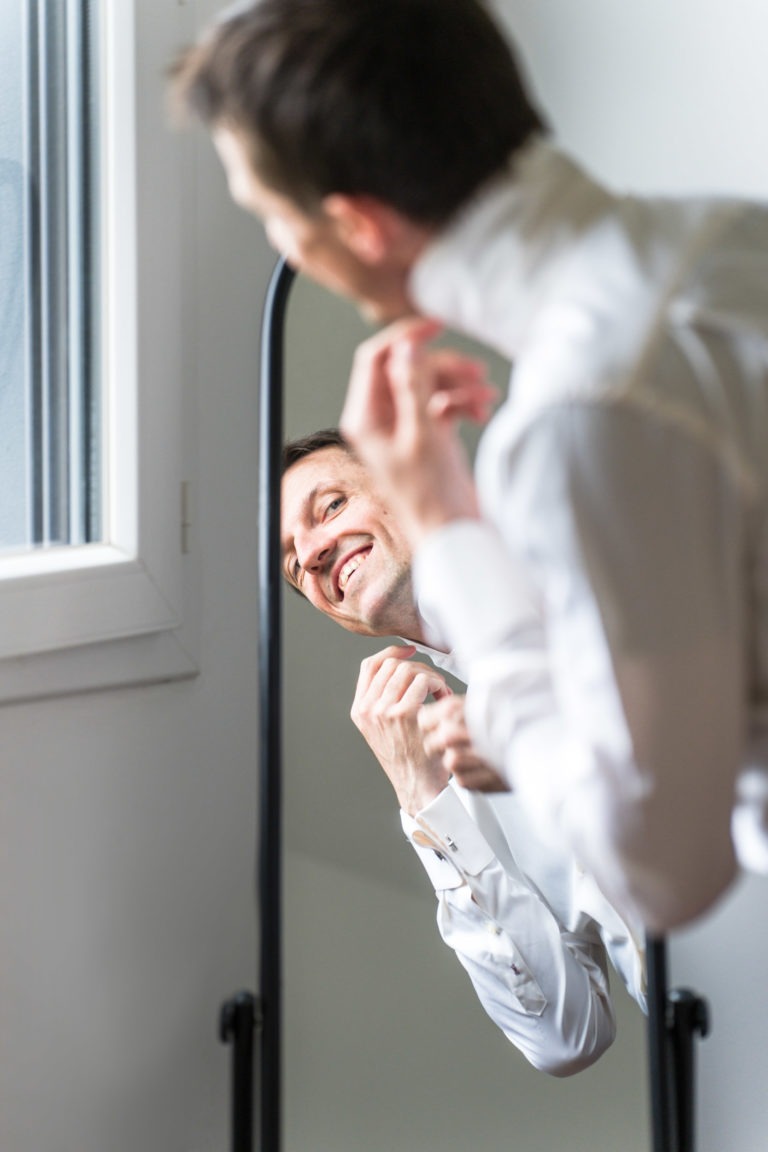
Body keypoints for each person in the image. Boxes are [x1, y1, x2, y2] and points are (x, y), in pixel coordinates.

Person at [172, 0, 768, 932]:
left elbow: (666, 875)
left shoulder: (581, 415)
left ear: (358, 227)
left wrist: (442, 517)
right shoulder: (732, 237)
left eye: (272, 219)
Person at [281, 427, 646, 1077]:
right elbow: (567, 1037)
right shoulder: (457, 765)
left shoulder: (586, 551)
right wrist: (425, 797)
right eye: (289, 562)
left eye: (330, 505)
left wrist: (545, 752)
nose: (309, 554)